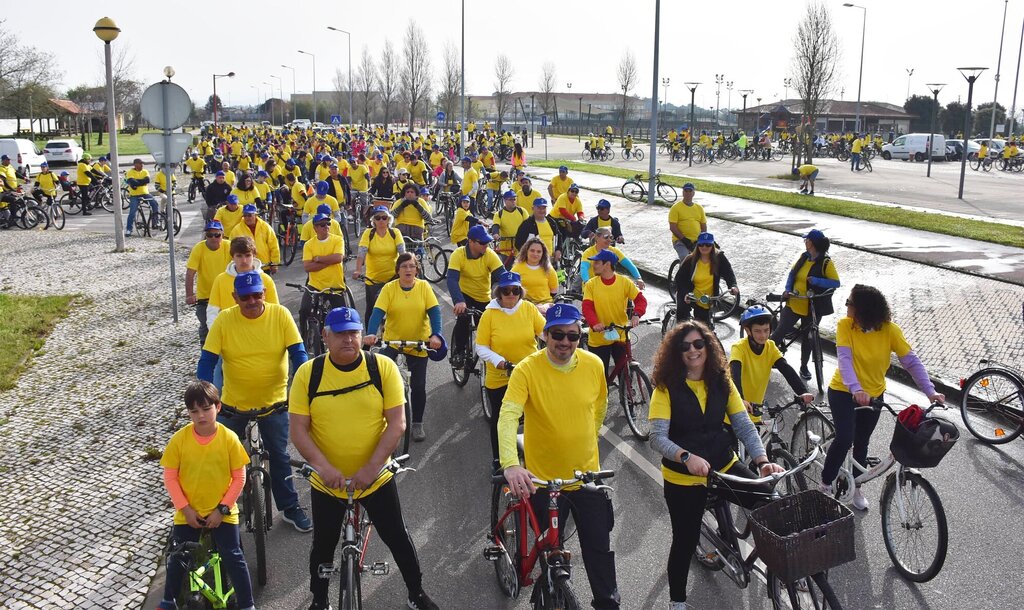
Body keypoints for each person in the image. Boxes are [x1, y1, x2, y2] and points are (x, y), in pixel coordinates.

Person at [289, 307, 440, 610]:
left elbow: (397, 423)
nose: (348, 339)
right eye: (340, 333)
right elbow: (298, 430)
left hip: (374, 477)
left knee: (397, 536)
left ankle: (416, 592)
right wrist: (323, 467)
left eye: (353, 332)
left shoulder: (381, 367)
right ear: (325, 336)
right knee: (322, 546)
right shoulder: (309, 373)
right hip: (328, 481)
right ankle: (319, 600)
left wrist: (372, 467)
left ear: (361, 334)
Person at [649, 320, 784, 610]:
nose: (693, 350)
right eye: (685, 346)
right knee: (684, 541)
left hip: (723, 465)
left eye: (699, 344)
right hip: (684, 478)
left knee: (771, 504)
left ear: (709, 347)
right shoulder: (666, 388)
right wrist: (686, 457)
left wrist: (762, 460)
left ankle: (777, 566)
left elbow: (744, 426)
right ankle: (677, 602)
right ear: (676, 352)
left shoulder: (722, 381)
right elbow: (657, 438)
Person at [499, 303, 621, 610]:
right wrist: (512, 465)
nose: (565, 342)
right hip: (544, 480)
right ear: (544, 335)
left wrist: (587, 438)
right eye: (557, 334)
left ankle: (608, 604)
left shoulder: (593, 365)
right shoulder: (527, 368)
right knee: (549, 553)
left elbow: (600, 406)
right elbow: (509, 415)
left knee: (599, 551)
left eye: (572, 335)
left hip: (585, 477)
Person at [197, 271, 312, 532]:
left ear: (264, 293)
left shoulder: (280, 315)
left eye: (257, 294)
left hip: (274, 404)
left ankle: (290, 507)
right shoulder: (225, 321)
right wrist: (205, 394)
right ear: (235, 297)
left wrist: (304, 385)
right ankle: (216, 507)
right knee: (219, 455)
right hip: (233, 404)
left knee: (280, 456)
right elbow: (207, 360)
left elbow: (298, 353)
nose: (252, 301)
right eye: (245, 296)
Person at [820, 284, 944, 511]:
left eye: (850, 303)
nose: (846, 306)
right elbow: (844, 360)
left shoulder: (890, 330)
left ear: (863, 309)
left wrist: (930, 391)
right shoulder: (845, 326)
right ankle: (825, 485)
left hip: (875, 395)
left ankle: (857, 486)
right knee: (845, 437)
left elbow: (911, 362)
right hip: (843, 391)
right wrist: (856, 388)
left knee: (862, 442)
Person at [158, 380, 255, 610]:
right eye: (194, 411)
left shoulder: (229, 438)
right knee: (178, 558)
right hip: (189, 512)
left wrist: (222, 510)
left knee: (233, 555)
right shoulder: (179, 441)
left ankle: (247, 604)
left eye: (206, 409)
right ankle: (167, 601)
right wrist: (185, 509)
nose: (200, 415)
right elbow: (170, 478)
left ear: (218, 407)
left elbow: (239, 478)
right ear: (189, 413)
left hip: (222, 511)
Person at [364, 253, 444, 442]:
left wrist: (436, 335)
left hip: (418, 343)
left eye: (411, 266)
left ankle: (417, 423)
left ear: (417, 269)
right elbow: (377, 314)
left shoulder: (424, 287)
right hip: (392, 342)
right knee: (380, 381)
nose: (408, 270)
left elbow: (435, 313)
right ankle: (381, 420)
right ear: (398, 270)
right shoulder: (389, 289)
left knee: (418, 386)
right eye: (404, 266)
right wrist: (371, 333)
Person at [475, 271, 545, 466]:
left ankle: (535, 457)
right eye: (506, 291)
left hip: (527, 373)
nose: (511, 295)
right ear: (499, 293)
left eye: (515, 290)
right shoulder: (489, 314)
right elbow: (480, 346)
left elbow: (544, 333)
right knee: (501, 420)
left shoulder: (529, 309)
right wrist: (499, 361)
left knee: (535, 416)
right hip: (500, 377)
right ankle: (498, 461)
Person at [769, 229, 840, 380]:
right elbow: (792, 274)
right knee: (780, 332)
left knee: (809, 338)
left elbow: (835, 282)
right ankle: (765, 357)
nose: (805, 243)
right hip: (794, 303)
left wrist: (816, 281)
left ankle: (804, 366)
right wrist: (788, 290)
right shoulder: (804, 257)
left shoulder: (826, 262)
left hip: (812, 307)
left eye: (806, 240)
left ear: (811, 243)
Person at [730, 306, 814, 424]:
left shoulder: (770, 347)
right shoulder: (739, 348)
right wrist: (740, 399)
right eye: (757, 331)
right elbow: (734, 374)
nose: (763, 335)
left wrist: (802, 391)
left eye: (766, 330)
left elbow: (786, 369)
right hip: (736, 410)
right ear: (748, 331)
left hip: (754, 411)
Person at [446, 225, 505, 368]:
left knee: (490, 329)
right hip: (465, 295)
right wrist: (459, 301)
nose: (486, 245)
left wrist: (510, 296)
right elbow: (452, 279)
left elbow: (503, 277)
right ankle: (458, 352)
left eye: (487, 242)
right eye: (482, 242)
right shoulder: (458, 254)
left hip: (483, 297)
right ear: (471, 242)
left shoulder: (489, 255)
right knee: (463, 320)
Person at [582, 249, 647, 377]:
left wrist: (636, 314)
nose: (593, 265)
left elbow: (641, 300)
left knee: (624, 371)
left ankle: (626, 392)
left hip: (620, 333)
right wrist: (595, 323)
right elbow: (587, 307)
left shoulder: (624, 282)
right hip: (599, 335)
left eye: (597, 262)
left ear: (607, 264)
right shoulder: (591, 285)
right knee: (600, 376)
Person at [354, 205, 406, 324]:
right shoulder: (368, 233)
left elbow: (402, 252)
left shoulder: (395, 232)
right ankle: (368, 339)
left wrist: (407, 268)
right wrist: (358, 270)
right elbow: (361, 252)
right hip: (373, 279)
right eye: (378, 218)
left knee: (397, 308)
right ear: (373, 220)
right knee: (371, 310)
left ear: (389, 219)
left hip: (393, 278)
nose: (381, 220)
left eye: (384, 217)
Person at [673, 232, 738, 328]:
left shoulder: (719, 258)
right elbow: (679, 279)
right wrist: (686, 293)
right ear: (697, 245)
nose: (704, 247)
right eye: (701, 244)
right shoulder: (690, 259)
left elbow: (728, 273)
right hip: (689, 295)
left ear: (712, 245)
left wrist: (733, 285)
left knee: (704, 329)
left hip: (706, 299)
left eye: (708, 244)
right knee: (683, 325)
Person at [299, 213, 349, 333]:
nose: (326, 226)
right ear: (315, 228)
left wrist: (318, 259)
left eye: (328, 224)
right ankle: (304, 339)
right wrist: (329, 261)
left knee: (344, 318)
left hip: (335, 286)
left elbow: (338, 258)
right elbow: (307, 267)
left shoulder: (337, 240)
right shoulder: (309, 245)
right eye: (322, 225)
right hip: (315, 285)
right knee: (304, 310)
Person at [186, 221, 233, 345]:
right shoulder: (199, 248)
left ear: (222, 235)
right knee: (206, 327)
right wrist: (189, 295)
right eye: (209, 235)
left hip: (226, 295)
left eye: (217, 235)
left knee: (230, 328)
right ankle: (207, 357)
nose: (213, 238)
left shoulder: (229, 247)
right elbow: (190, 273)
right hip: (205, 297)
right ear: (205, 235)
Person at [579, 227, 644, 288]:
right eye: (606, 237)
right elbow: (584, 268)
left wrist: (638, 278)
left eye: (611, 237)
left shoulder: (614, 251)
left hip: (609, 286)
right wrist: (587, 281)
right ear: (597, 238)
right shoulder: (588, 253)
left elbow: (628, 263)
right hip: (592, 287)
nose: (609, 240)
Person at [511, 237, 558, 309]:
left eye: (539, 251)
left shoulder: (549, 269)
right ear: (526, 251)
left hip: (545, 305)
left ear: (543, 254)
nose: (535, 254)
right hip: (524, 305)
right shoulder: (517, 268)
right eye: (532, 251)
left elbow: (554, 291)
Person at [229, 204, 280, 269]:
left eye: (250, 215)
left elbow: (274, 246)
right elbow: (231, 249)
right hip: (245, 267)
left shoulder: (265, 227)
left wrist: (274, 263)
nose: (247, 218)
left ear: (255, 215)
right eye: (245, 215)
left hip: (264, 266)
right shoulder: (236, 230)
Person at [514, 198, 564, 263]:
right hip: (533, 261)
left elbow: (559, 236)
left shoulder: (551, 222)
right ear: (533, 208)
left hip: (550, 260)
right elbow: (518, 243)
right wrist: (530, 256)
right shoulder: (527, 224)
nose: (541, 210)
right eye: (539, 208)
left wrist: (558, 250)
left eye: (544, 208)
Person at [667, 183, 707, 259]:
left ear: (693, 193)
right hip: (680, 241)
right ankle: (683, 270)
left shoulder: (699, 208)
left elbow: (703, 226)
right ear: (683, 192)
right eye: (686, 191)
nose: (688, 193)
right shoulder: (676, 208)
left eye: (690, 191)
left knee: (707, 257)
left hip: (696, 241)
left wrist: (701, 239)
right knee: (685, 257)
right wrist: (684, 239)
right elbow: (673, 227)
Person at [490, 190, 527, 262]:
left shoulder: (522, 211)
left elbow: (528, 225)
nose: (513, 201)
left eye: (514, 199)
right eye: (511, 199)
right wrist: (495, 234)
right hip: (505, 248)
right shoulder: (499, 214)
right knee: (504, 266)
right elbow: (495, 225)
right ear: (505, 201)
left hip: (520, 247)